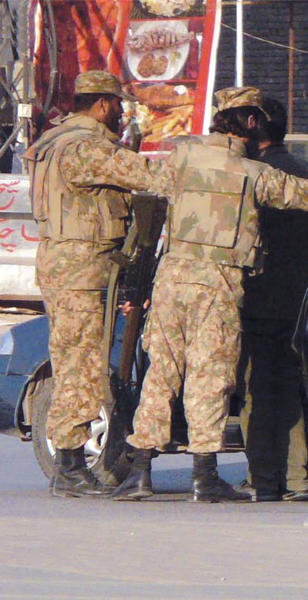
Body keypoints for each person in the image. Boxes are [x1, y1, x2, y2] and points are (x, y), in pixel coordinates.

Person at [111, 87, 308, 502]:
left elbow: (146, 190)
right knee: (209, 376)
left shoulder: (182, 158)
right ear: (252, 122)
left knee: (161, 373)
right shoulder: (251, 172)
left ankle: (141, 470)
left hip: (172, 277)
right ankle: (203, 476)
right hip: (218, 283)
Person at [21, 70, 164, 498]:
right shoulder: (87, 147)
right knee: (80, 366)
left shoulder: (51, 141)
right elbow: (151, 177)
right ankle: (69, 468)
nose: (120, 114)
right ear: (102, 104)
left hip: (65, 263)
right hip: (82, 269)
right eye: (118, 105)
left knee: (72, 360)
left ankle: (69, 464)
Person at [236, 97, 308, 502]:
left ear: (254, 127)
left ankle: (263, 477)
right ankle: (297, 477)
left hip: (259, 291)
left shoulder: (255, 174)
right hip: (299, 291)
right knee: (289, 386)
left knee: (258, 388)